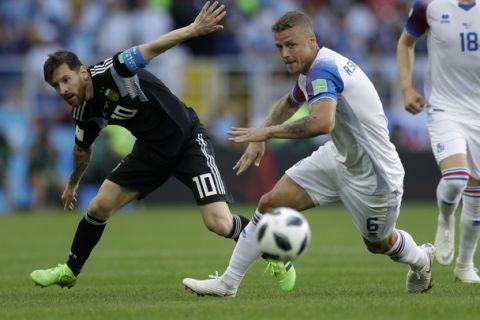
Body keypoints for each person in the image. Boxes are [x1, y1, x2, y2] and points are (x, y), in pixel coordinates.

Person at [29, 1, 292, 289]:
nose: (63, 90)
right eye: (56, 86)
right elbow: (82, 151)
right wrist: (71, 185)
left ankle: (274, 249)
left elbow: (153, 47)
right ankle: (69, 270)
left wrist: (194, 28)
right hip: (150, 152)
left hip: (187, 141)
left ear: (82, 73)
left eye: (65, 80)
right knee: (99, 206)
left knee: (220, 224)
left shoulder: (114, 70)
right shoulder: (82, 112)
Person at [182, 10, 435, 297]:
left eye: (291, 45)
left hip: (374, 174)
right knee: (270, 203)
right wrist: (262, 132)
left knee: (379, 243)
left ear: (311, 41)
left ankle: (421, 260)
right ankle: (229, 283)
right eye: (279, 47)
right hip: (338, 157)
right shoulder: (311, 68)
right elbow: (290, 102)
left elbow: (322, 122)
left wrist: (266, 133)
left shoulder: (323, 69)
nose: (285, 53)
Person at [396, 0, 480, 283]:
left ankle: (465, 265)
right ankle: (445, 219)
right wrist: (407, 88)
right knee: (457, 178)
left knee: (477, 192)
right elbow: (405, 43)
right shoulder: (429, 6)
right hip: (445, 108)